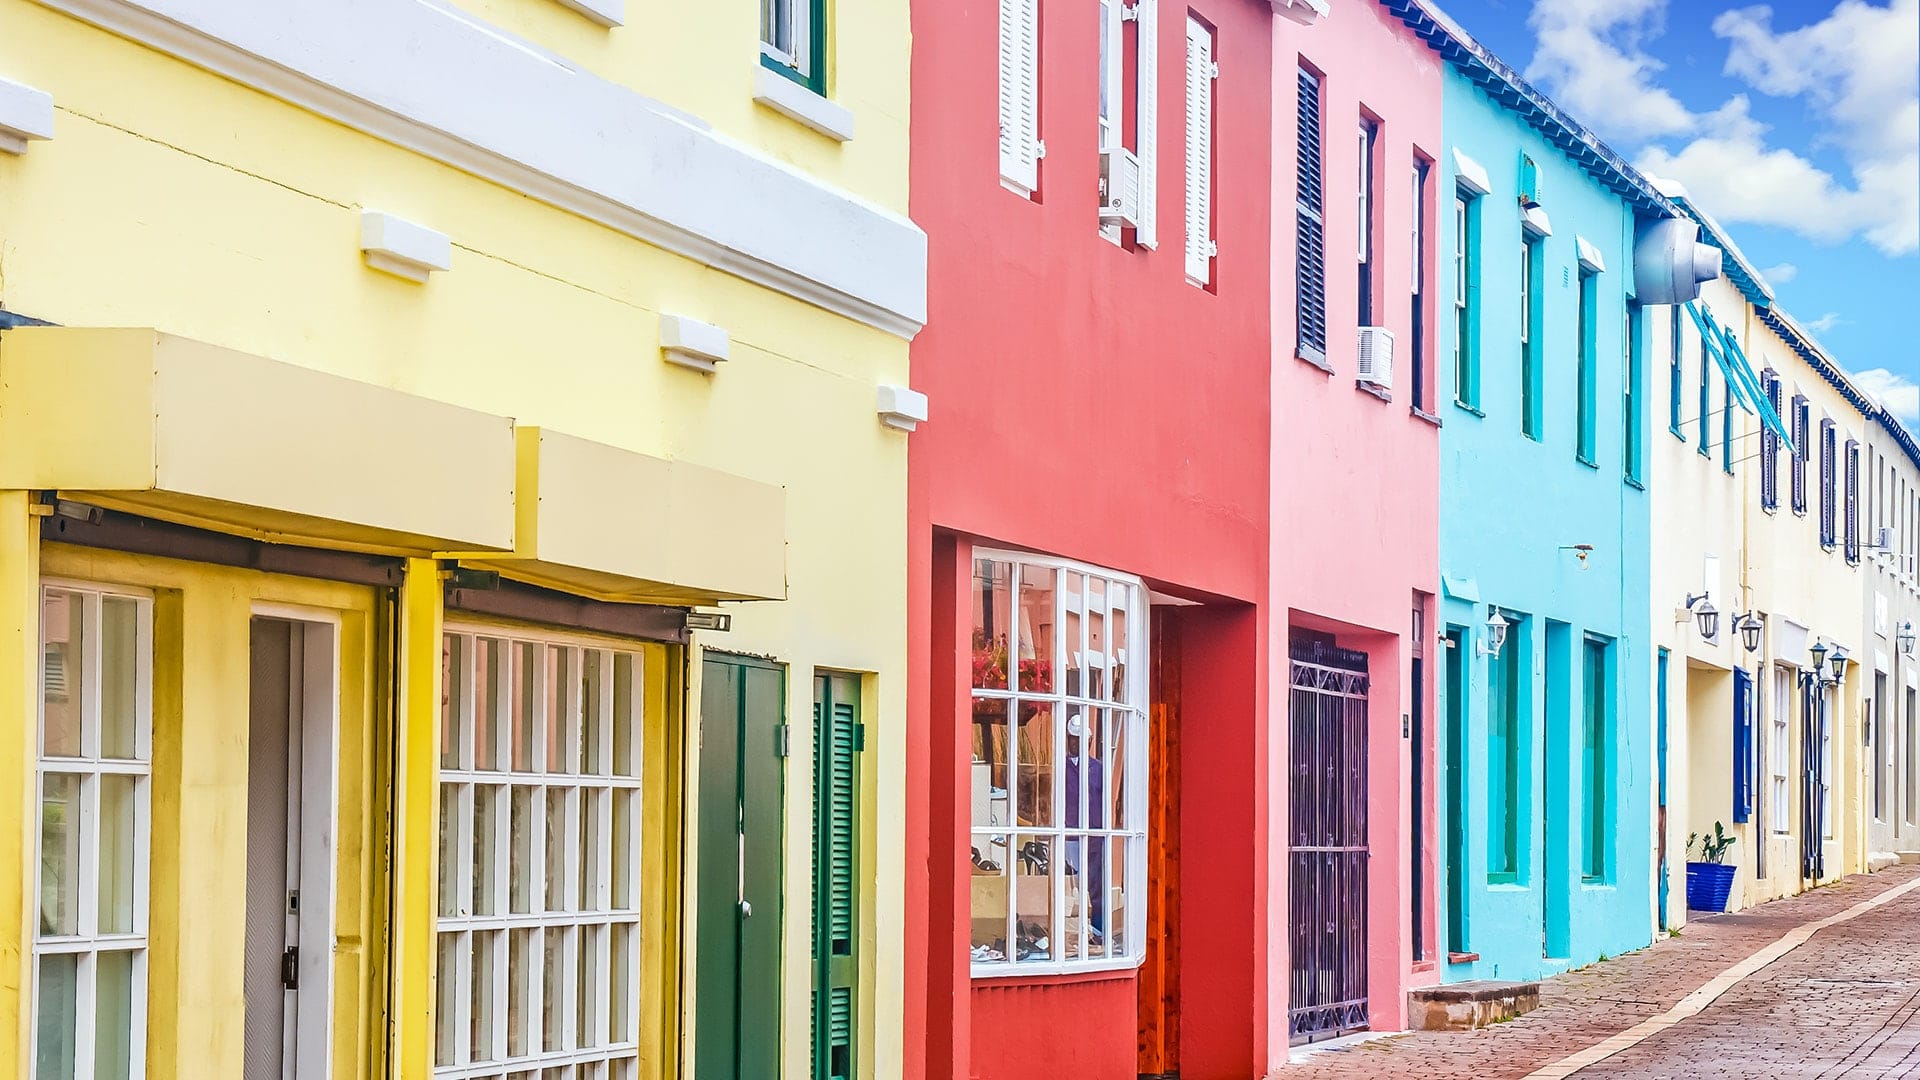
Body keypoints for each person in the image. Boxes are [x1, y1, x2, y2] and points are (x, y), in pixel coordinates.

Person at [1063, 711, 1107, 931]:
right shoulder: (1059, 768)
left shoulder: (1098, 769)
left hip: (1093, 836)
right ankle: (1069, 929)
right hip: (1067, 836)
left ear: (1088, 742)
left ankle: (1098, 929)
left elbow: (1105, 801)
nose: (1075, 743)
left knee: (1095, 885)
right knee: (1069, 884)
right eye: (1072, 738)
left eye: (1079, 739)